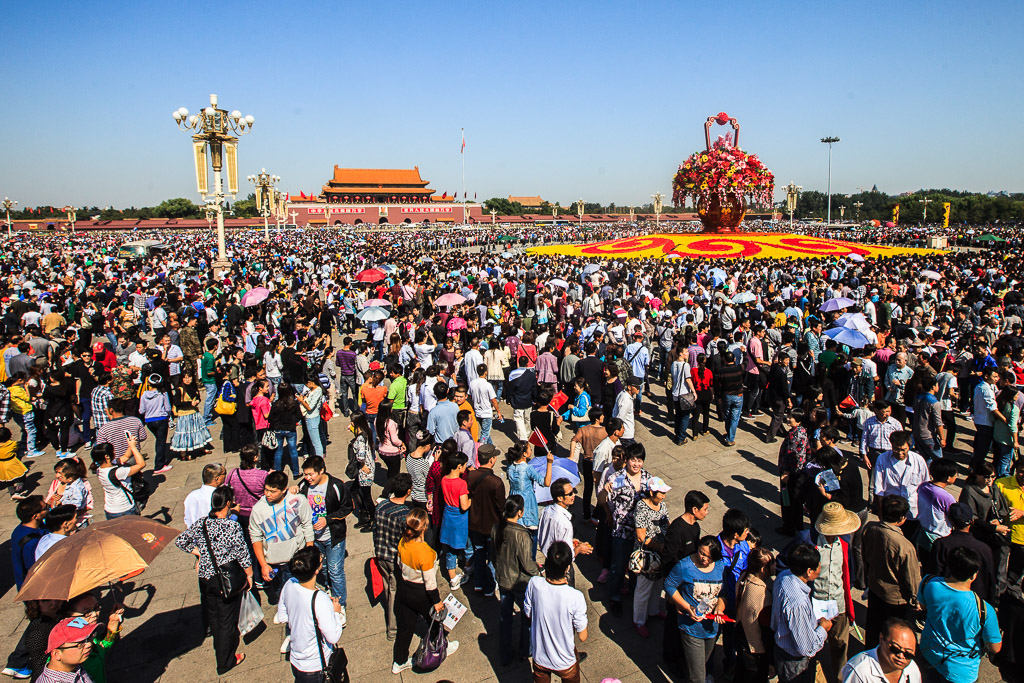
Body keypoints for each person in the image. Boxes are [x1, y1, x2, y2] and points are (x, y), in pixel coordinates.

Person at [173, 486, 252, 675]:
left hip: (205, 578)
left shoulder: (201, 524)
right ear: (227, 503)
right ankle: (225, 660)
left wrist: (199, 552)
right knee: (226, 618)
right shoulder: (232, 526)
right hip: (225, 580)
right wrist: (249, 575)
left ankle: (218, 642)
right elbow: (242, 554)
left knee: (214, 614)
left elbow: (181, 541)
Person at [789, 502, 861, 680]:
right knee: (812, 646)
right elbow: (786, 563)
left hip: (839, 603)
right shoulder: (807, 540)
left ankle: (839, 677)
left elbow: (848, 570)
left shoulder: (844, 542)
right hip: (815, 604)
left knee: (841, 645)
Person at [249, 469, 315, 653]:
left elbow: (307, 524)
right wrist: (263, 564)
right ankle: (293, 630)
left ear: (284, 489)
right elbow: (255, 537)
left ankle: (293, 634)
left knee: (297, 600)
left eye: (272, 491)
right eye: (266, 490)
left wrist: (309, 551)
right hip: (273, 563)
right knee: (281, 598)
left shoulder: (298, 501)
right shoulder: (258, 509)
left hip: (295, 560)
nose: (267, 495)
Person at [917, 547, 1001, 683]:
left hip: (929, 655)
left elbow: (923, 606)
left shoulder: (929, 583)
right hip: (962, 672)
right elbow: (995, 647)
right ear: (974, 575)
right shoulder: (984, 609)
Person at [391, 508, 459, 674]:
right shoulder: (426, 553)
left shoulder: (403, 542)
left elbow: (399, 565)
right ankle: (444, 645)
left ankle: (399, 661)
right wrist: (436, 601)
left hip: (404, 589)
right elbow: (430, 583)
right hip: (421, 592)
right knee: (434, 622)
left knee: (405, 628)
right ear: (423, 529)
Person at [297, 455, 353, 627]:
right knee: (325, 567)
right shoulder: (303, 487)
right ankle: (331, 589)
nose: (308, 478)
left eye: (311, 474)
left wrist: (328, 520)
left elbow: (347, 507)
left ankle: (340, 604)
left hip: (333, 537)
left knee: (336, 570)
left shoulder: (336, 486)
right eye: (305, 474)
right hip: (314, 538)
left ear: (321, 471)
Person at [664, 534, 726, 683]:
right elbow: (669, 585)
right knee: (698, 677)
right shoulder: (684, 565)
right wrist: (685, 606)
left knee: (701, 664)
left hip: (711, 627)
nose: (704, 558)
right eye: (701, 553)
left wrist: (719, 609)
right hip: (690, 627)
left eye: (709, 557)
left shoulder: (721, 567)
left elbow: (723, 593)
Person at [277, 546, 345, 683]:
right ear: (316, 570)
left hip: (296, 661)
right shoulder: (319, 599)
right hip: (316, 666)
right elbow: (333, 636)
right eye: (322, 561)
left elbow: (282, 616)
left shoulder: (289, 584)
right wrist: (336, 613)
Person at [524, 540, 589, 683]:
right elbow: (583, 636)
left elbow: (528, 613)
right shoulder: (575, 597)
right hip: (565, 662)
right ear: (566, 569)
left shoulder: (534, 583)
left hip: (540, 657)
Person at [862, 495, 921, 648]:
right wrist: (915, 599)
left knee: (874, 631)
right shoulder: (904, 546)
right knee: (894, 637)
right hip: (896, 599)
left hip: (875, 588)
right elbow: (912, 578)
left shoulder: (870, 528)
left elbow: (865, 557)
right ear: (902, 518)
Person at [662, 490, 710, 671]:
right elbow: (667, 559)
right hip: (677, 584)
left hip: (689, 582)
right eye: (704, 509)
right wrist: (670, 589)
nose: (706, 513)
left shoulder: (695, 527)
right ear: (694, 509)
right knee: (673, 623)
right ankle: (670, 656)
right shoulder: (677, 530)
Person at [771, 542, 831, 683]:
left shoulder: (784, 576)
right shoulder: (797, 603)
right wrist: (823, 628)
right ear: (809, 571)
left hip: (782, 652)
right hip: (795, 664)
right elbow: (805, 647)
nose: (820, 568)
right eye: (818, 566)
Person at [493, 494, 541, 666]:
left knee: (505, 617)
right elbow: (527, 564)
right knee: (527, 616)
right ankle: (525, 649)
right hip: (519, 582)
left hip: (503, 578)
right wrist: (539, 575)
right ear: (520, 513)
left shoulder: (497, 528)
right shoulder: (522, 534)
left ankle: (505, 653)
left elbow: (493, 555)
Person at [372, 473, 412, 641]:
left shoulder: (381, 507)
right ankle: (393, 629)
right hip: (394, 558)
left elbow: (376, 530)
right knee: (394, 590)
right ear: (408, 491)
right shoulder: (404, 514)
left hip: (380, 554)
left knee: (388, 585)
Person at [632, 477, 670, 637]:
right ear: (652, 492)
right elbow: (641, 536)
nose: (663, 496)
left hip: (660, 554)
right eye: (661, 493)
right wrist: (658, 546)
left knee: (657, 585)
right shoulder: (641, 507)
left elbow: (666, 524)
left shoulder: (662, 505)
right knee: (644, 588)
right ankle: (639, 620)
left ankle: (654, 610)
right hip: (647, 555)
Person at [467, 443, 505, 596]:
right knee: (492, 557)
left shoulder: (471, 476)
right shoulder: (496, 482)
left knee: (479, 553)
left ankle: (478, 583)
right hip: (491, 526)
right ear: (491, 460)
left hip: (475, 523)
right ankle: (489, 586)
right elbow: (501, 507)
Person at [736, 547, 777, 683]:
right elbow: (766, 630)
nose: (775, 565)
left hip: (741, 634)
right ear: (762, 569)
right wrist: (771, 660)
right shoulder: (762, 594)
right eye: (771, 563)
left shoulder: (744, 576)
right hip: (755, 647)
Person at [840, 618, 921, 683]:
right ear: (882, 639)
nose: (901, 656)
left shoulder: (912, 669)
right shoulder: (859, 672)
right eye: (895, 649)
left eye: (908, 654)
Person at [34, 616, 104, 683]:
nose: (88, 645)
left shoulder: (74, 666)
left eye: (89, 639)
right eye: (80, 643)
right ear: (56, 654)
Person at [440, 451, 472, 590]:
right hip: (459, 517)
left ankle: (452, 578)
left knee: (450, 549)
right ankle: (468, 567)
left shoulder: (444, 479)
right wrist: (472, 499)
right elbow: (464, 505)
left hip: (448, 515)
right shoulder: (461, 484)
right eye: (464, 465)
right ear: (459, 466)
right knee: (467, 545)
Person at [91, 439, 146, 520]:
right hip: (124, 509)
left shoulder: (99, 469)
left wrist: (130, 445)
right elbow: (141, 464)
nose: (114, 453)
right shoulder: (118, 472)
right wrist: (134, 447)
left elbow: (126, 456)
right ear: (107, 456)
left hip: (110, 509)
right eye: (113, 451)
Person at [170, 369, 213, 463]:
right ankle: (184, 454)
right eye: (185, 378)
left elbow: (198, 397)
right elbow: (176, 403)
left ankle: (202, 448)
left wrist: (197, 401)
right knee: (185, 434)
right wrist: (190, 403)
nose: (187, 379)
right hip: (184, 415)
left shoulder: (194, 387)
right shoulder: (179, 389)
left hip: (194, 413)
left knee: (198, 431)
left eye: (189, 377)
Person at [10, 495, 47, 590]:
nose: (49, 507)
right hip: (36, 588)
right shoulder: (32, 542)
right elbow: (34, 568)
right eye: (45, 508)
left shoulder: (19, 529)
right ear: (36, 516)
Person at [348, 412, 376, 529]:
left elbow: (360, 455)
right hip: (368, 467)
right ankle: (364, 515)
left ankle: (373, 520)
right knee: (355, 490)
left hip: (365, 470)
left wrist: (362, 464)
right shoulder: (366, 432)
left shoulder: (360, 438)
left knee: (366, 496)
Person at [269, 384, 303, 477]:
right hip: (290, 429)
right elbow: (298, 416)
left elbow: (270, 418)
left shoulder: (276, 404)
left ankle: (278, 472)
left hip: (278, 430)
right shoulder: (294, 404)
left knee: (278, 452)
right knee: (293, 451)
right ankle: (296, 472)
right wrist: (293, 422)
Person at [183, 462, 227, 528]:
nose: (226, 475)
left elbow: (187, 519)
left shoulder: (191, 496)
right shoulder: (218, 497)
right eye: (224, 473)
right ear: (217, 479)